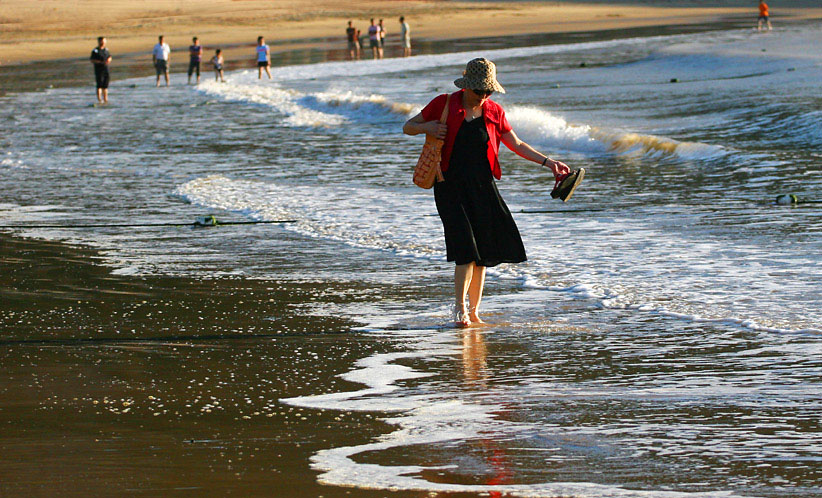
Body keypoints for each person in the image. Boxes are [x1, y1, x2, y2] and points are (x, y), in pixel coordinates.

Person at [403, 58, 581, 328]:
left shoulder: (494, 111)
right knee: (465, 249)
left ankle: (475, 312)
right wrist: (427, 127)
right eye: (479, 91)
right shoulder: (445, 103)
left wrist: (549, 163)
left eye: (488, 92)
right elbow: (408, 126)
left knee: (483, 253)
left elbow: (517, 143)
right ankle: (460, 311)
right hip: (449, 186)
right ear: (466, 88)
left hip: (483, 187)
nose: (484, 96)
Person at [89, 36, 111, 104]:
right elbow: (92, 60)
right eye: (102, 41)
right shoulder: (95, 51)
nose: (103, 43)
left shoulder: (106, 50)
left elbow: (109, 56)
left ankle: (105, 99)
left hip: (106, 69)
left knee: (105, 85)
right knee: (99, 85)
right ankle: (99, 99)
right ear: (99, 42)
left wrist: (109, 60)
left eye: (104, 41)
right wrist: (100, 62)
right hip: (99, 70)